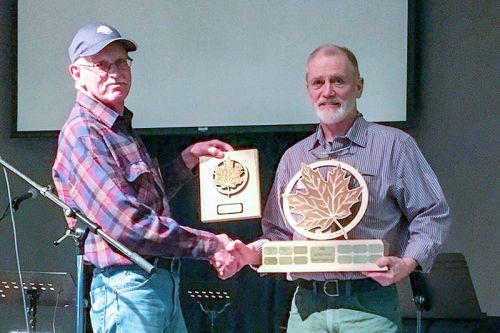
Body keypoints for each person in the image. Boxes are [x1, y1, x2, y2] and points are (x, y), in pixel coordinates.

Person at [216, 44, 451, 332]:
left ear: (359, 86)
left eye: (338, 81)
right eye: (318, 83)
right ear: (309, 90)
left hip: (369, 306)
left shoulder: (394, 146)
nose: (327, 91)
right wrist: (248, 254)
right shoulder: (295, 157)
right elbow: (279, 235)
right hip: (306, 309)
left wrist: (408, 263)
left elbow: (432, 212)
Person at [52, 22, 235, 333]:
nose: (115, 72)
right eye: (101, 65)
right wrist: (211, 245)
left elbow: (143, 199)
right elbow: (127, 223)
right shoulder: (85, 132)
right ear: (77, 74)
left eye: (122, 62)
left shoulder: (117, 127)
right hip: (128, 292)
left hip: (155, 286)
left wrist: (187, 160)